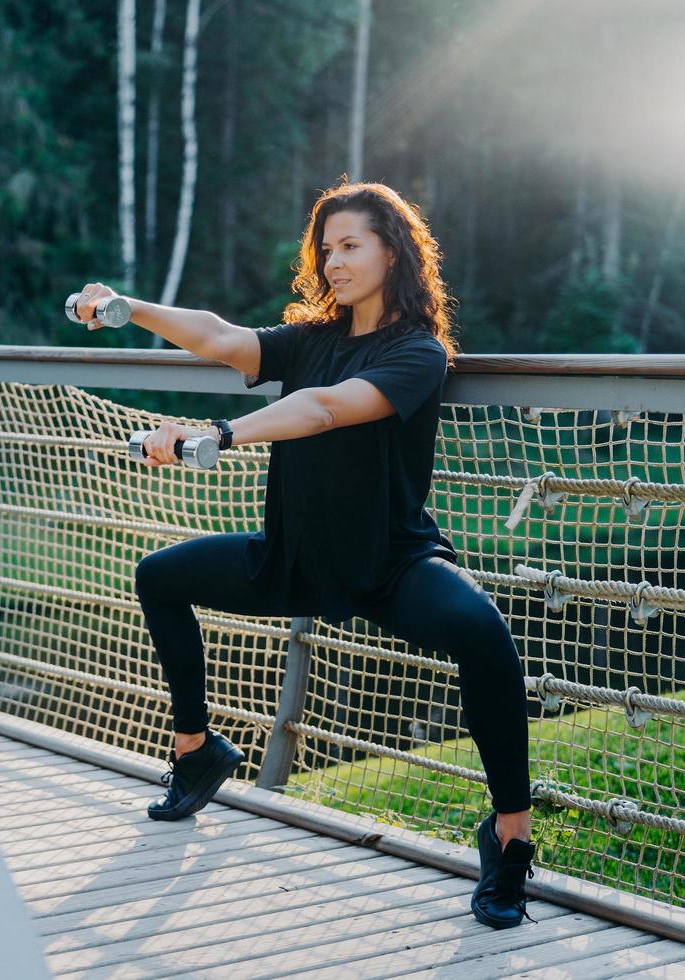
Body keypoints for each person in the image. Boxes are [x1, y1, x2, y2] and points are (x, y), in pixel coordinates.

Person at [71, 179, 537, 930]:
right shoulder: (310, 339)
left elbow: (323, 409)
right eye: (327, 249)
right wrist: (130, 308)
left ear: (394, 250)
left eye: (351, 245)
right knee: (160, 576)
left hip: (390, 565)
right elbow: (222, 339)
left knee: (483, 632)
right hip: (292, 559)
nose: (335, 262)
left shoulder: (418, 352)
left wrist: (219, 436)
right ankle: (197, 753)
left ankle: (511, 838)